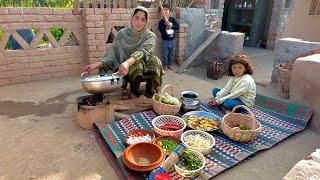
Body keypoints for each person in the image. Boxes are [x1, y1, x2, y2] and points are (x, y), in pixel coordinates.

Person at [83, 6, 163, 99]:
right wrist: (95, 65)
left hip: (143, 67)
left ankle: (150, 91)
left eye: (143, 19)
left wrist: (127, 63)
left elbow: (143, 51)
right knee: (130, 65)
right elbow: (112, 53)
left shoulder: (150, 36)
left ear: (146, 22)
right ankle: (134, 93)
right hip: (123, 69)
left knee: (152, 61)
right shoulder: (122, 34)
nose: (139, 22)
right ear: (131, 18)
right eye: (136, 18)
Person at [158, 4, 179, 71]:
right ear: (161, 12)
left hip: (173, 41)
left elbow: (177, 27)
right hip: (165, 41)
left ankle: (170, 65)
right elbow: (162, 31)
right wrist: (166, 26)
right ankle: (165, 66)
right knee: (165, 55)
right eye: (163, 10)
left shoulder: (172, 19)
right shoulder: (161, 22)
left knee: (171, 55)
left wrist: (171, 26)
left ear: (169, 11)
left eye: (167, 9)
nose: (165, 11)